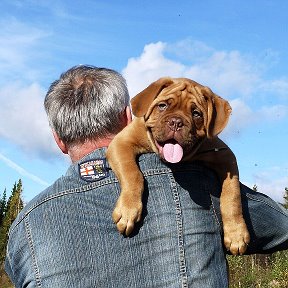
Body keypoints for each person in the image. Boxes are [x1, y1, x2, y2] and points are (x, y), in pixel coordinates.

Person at [5, 65, 288, 288]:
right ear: (130, 115)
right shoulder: (202, 183)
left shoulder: (24, 229)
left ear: (58, 140)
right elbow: (281, 228)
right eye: (163, 106)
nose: (176, 121)